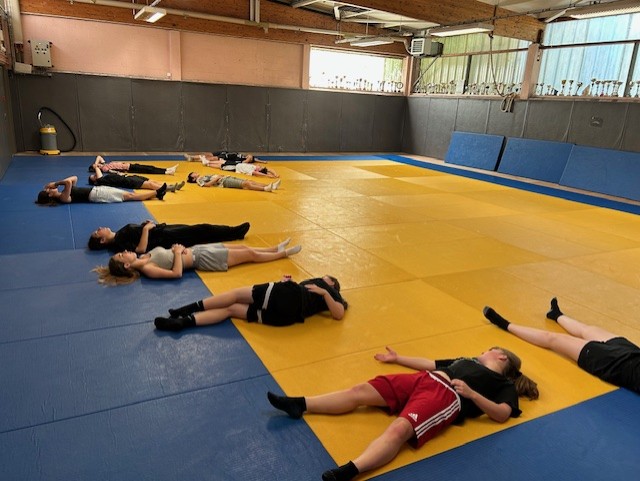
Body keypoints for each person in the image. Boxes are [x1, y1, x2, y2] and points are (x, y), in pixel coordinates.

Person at [267, 345, 538, 481]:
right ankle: (300, 404)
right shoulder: (465, 360)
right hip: (424, 379)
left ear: (501, 356)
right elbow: (430, 363)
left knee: (400, 429)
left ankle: (350, 470)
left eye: (488, 349)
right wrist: (398, 359)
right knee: (360, 390)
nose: (482, 351)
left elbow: (503, 413)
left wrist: (472, 394)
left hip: (447, 396)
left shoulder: (503, 384)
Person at [483, 298, 640, 393]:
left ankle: (505, 324)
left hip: (611, 362)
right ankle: (556, 314)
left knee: (552, 339)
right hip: (632, 352)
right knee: (587, 329)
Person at [154, 274, 347, 331]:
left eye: (325, 277)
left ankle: (185, 309)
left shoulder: (330, 290)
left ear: (332, 283)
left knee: (235, 294)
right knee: (230, 310)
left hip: (288, 296)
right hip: (285, 318)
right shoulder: (320, 295)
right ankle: (183, 322)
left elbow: (338, 313)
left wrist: (325, 292)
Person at [94, 240, 302, 285]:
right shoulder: (148, 269)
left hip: (197, 250)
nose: (124, 251)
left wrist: (177, 248)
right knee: (249, 254)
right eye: (121, 255)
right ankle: (283, 254)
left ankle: (274, 248)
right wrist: (177, 252)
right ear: (127, 265)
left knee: (241, 247)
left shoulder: (144, 257)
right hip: (203, 259)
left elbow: (168, 254)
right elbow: (176, 273)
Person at [88, 220, 251, 253]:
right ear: (102, 240)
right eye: (97, 231)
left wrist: (145, 225)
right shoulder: (118, 243)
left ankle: (232, 233)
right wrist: (146, 230)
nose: (100, 228)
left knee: (198, 232)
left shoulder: (119, 234)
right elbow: (140, 250)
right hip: (165, 238)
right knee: (202, 229)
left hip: (162, 231)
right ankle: (234, 232)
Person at [36, 175, 166, 205]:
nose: (52, 188)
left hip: (97, 191)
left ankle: (157, 193)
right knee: (129, 196)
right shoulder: (63, 198)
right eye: (49, 190)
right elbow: (68, 182)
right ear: (50, 195)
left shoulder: (64, 192)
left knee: (129, 195)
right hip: (97, 195)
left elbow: (74, 178)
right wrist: (55, 183)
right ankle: (157, 192)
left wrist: (55, 184)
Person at [89, 163, 185, 192]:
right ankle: (168, 188)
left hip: (129, 177)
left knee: (152, 181)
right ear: (94, 181)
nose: (95, 175)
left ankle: (171, 186)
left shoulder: (104, 178)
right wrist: (95, 166)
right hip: (128, 181)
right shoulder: (101, 181)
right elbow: (97, 170)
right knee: (150, 185)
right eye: (93, 176)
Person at [187, 172, 281, 192]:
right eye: (193, 174)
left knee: (249, 181)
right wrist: (217, 178)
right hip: (223, 182)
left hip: (225, 178)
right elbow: (207, 185)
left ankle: (271, 186)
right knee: (246, 184)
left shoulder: (203, 176)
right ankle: (265, 189)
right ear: (193, 178)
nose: (195, 172)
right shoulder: (199, 180)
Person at [90, 155, 178, 175]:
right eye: (96, 167)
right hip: (129, 168)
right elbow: (111, 171)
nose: (98, 165)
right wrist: (119, 173)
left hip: (129, 165)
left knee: (149, 167)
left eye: (97, 165)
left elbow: (99, 156)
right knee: (148, 169)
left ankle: (167, 169)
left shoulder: (104, 164)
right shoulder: (104, 169)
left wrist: (96, 164)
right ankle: (166, 172)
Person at [199, 158, 278, 178]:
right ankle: (208, 162)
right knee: (223, 162)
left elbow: (257, 173)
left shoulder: (252, 171)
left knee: (221, 166)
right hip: (237, 164)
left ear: (259, 171)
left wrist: (267, 175)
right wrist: (275, 174)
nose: (259, 166)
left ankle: (208, 164)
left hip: (235, 168)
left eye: (259, 167)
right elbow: (269, 169)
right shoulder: (254, 167)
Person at [185, 151, 266, 165]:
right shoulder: (244, 156)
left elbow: (252, 159)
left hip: (226, 157)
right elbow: (255, 159)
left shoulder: (243, 160)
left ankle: (192, 158)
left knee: (211, 158)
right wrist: (262, 161)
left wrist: (248, 159)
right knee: (208, 154)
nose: (249, 156)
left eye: (250, 158)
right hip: (225, 153)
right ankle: (193, 157)